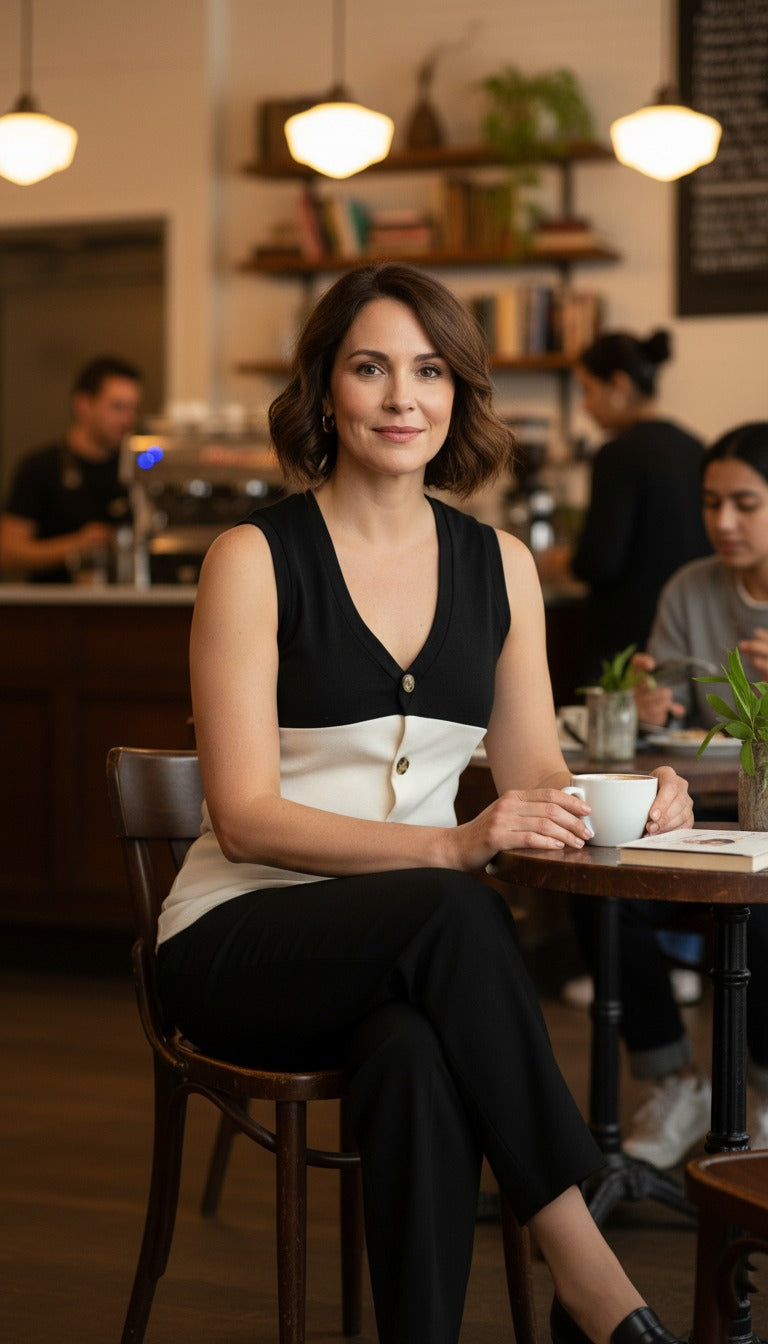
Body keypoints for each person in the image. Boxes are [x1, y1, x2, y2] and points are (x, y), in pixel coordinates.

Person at [155, 262, 692, 1344]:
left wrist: (636, 796)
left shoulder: (501, 568)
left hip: (401, 953)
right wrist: (450, 847)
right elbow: (247, 815)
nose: (403, 398)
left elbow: (535, 770)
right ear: (324, 390)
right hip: (237, 937)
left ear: (458, 394)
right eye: (370, 368)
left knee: (408, 1050)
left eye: (429, 370)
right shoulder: (252, 560)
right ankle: (590, 1278)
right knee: (456, 906)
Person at [576, 423, 768, 1173]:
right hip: (705, 816)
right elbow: (675, 715)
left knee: (759, 897)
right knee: (598, 882)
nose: (723, 522)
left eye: (746, 505)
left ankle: (760, 1090)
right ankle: (675, 1079)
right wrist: (654, 706)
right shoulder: (691, 587)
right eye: (712, 502)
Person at [569, 328, 711, 683]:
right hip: (688, 632)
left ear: (618, 385)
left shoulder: (616, 454)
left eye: (588, 390)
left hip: (625, 644)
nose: (585, 405)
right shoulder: (697, 447)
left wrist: (564, 562)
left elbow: (599, 562)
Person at [0, 355, 142, 582]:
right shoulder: (39, 467)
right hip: (52, 609)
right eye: (117, 407)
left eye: (133, 408)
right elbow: (8, 553)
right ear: (84, 405)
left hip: (127, 605)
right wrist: (76, 545)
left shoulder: (135, 469)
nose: (127, 419)